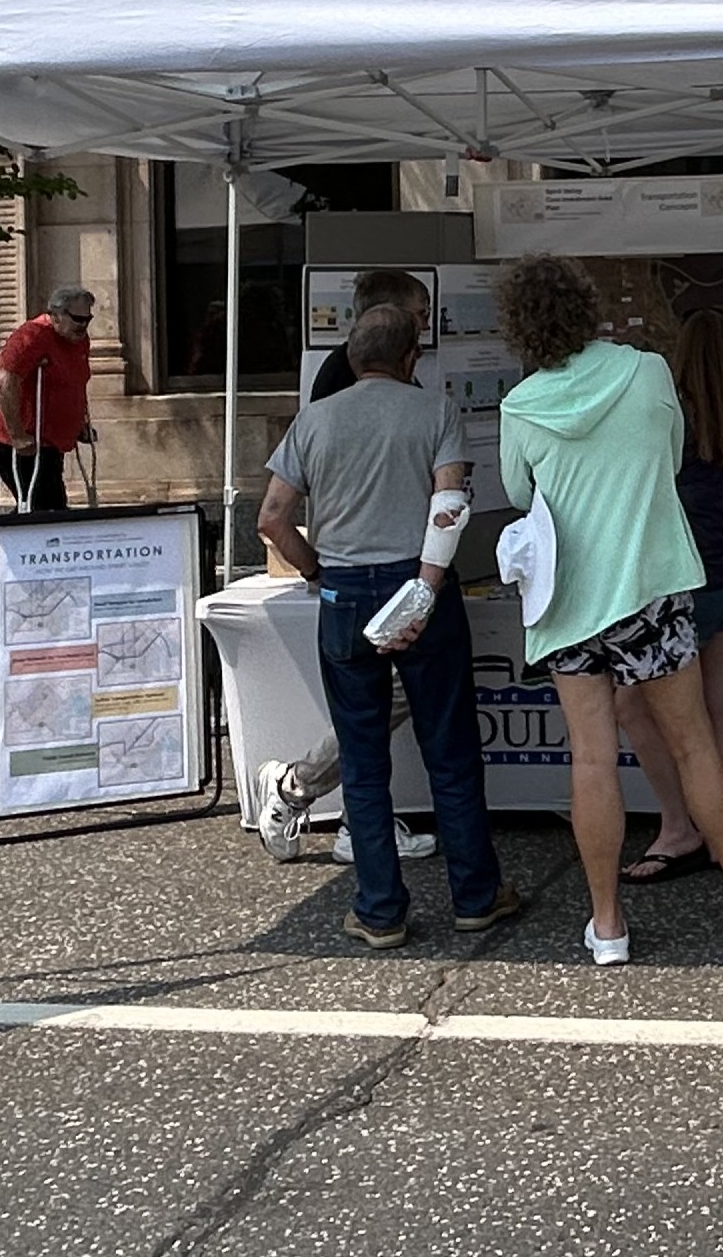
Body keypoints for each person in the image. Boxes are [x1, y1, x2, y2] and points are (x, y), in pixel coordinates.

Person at [495, 256, 723, 964]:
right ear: (586, 306)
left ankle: (607, 925)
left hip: (567, 602)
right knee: (694, 743)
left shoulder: (519, 407)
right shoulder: (648, 372)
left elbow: (518, 493)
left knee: (591, 757)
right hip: (652, 585)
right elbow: (672, 454)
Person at [257, 304, 516, 950]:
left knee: (363, 758)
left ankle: (379, 911)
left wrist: (316, 569)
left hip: (344, 592)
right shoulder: (434, 411)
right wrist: (425, 585)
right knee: (450, 750)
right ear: (411, 357)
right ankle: (476, 896)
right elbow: (449, 504)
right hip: (419, 583)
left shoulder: (314, 420)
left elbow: (272, 517)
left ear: (351, 357)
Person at [255, 265, 445, 867]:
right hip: (370, 576)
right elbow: (281, 510)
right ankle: (301, 789)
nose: (425, 327)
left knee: (378, 702)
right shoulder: (348, 383)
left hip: (361, 575)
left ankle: (351, 819)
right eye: (419, 314)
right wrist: (317, 571)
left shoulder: (363, 378)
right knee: (380, 702)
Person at [614, 308, 723, 885]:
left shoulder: (672, 420)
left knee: (633, 706)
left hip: (686, 581)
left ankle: (679, 825)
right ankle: (719, 828)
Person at [0, 285, 98, 511]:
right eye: (77, 319)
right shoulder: (32, 337)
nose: (83, 326)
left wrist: (80, 424)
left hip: (52, 444)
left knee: (44, 508)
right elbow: (5, 383)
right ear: (56, 315)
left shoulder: (78, 340)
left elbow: (75, 382)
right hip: (28, 444)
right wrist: (18, 436)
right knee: (46, 509)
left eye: (87, 319)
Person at [310, 269, 436, 403]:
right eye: (422, 314)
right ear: (387, 313)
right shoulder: (339, 375)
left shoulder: (391, 360)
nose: (426, 326)